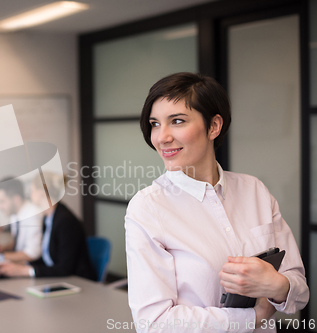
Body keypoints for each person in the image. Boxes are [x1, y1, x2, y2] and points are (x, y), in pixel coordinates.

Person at [125, 72, 309, 332]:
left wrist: (277, 286)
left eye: (177, 121)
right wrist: (252, 318)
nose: (161, 137)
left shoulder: (254, 190)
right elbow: (154, 323)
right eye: (155, 124)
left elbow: (299, 292)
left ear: (214, 126)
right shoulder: (148, 208)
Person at [0, 173, 97, 280]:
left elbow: (64, 268)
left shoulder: (66, 221)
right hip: (57, 278)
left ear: (41, 193)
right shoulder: (48, 217)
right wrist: (19, 265)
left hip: (78, 282)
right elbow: (47, 258)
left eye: (32, 191)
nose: (30, 196)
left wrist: (25, 270)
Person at [0, 178, 42, 263]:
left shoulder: (33, 216)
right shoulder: (15, 214)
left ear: (16, 199)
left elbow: (32, 254)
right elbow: (18, 245)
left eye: (2, 201)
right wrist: (2, 249)